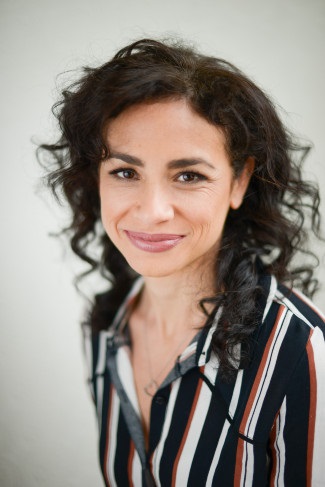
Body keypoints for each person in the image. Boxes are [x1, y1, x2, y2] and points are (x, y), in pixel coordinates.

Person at [39, 38, 325, 486]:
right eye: (125, 172)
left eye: (189, 175)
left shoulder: (302, 353)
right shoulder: (104, 326)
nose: (153, 210)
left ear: (239, 181)